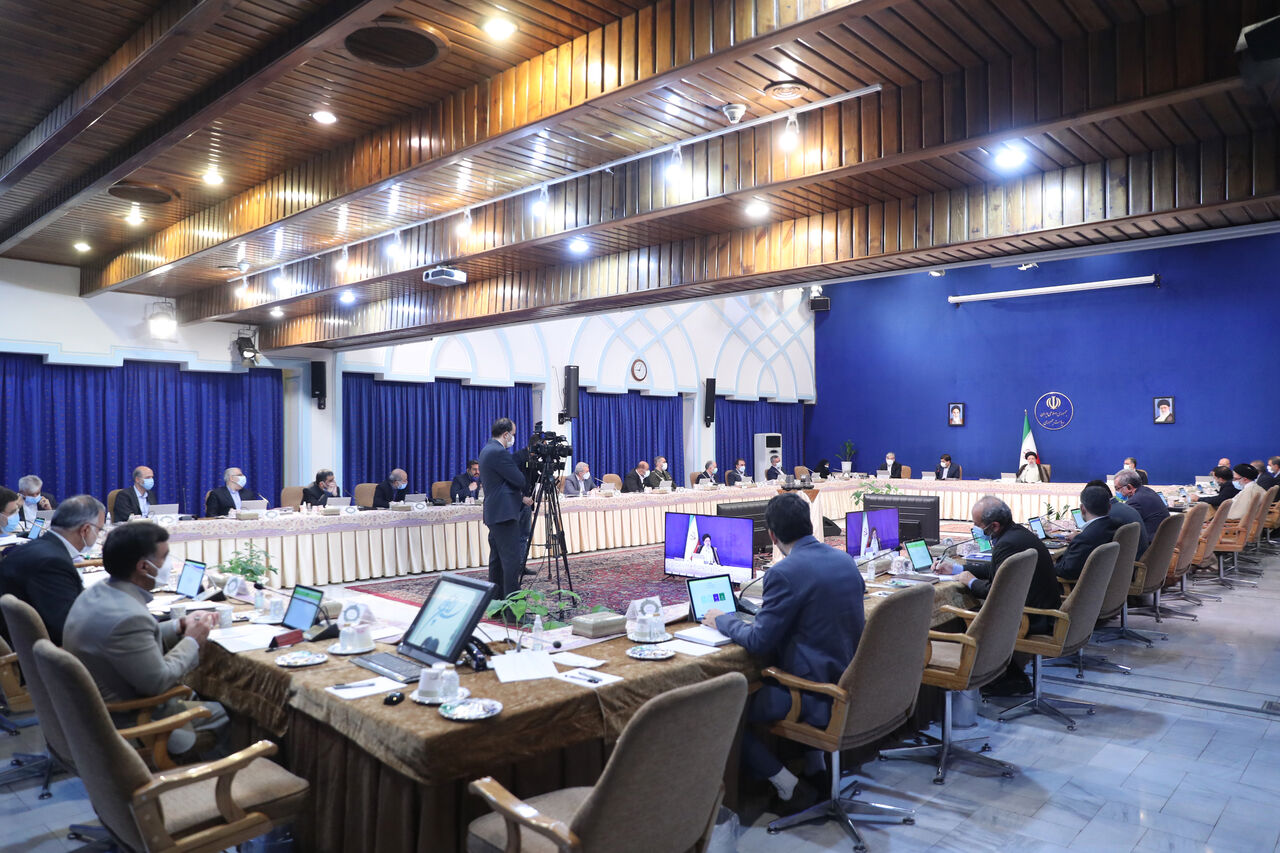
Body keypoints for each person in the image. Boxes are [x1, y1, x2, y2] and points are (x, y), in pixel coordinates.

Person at [701, 493, 865, 806]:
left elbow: (758, 642)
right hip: (850, 684)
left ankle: (786, 783)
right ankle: (815, 769)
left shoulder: (782, 573)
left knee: (721, 714)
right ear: (810, 524)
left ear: (772, 536)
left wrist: (722, 620)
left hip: (813, 695)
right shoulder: (844, 559)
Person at [62, 522, 227, 762]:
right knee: (223, 711)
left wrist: (178, 626)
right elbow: (158, 682)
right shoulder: (129, 617)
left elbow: (130, 640)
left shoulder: (99, 591)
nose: (169, 565)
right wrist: (192, 640)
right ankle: (208, 774)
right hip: (127, 719)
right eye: (165, 557)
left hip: (91, 707)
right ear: (143, 567)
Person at [934, 496, 1060, 696]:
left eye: (977, 525)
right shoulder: (1018, 534)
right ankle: (1006, 677)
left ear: (994, 526)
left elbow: (997, 593)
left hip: (1033, 618)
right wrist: (958, 569)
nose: (975, 529)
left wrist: (970, 581)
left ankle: (994, 679)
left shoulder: (1007, 544)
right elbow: (999, 571)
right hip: (1043, 609)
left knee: (970, 617)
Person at [0, 496, 104, 649]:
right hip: (42, 654)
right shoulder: (52, 563)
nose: (99, 535)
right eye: (99, 530)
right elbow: (67, 628)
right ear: (85, 530)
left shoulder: (36, 547)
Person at [479, 418, 532, 600]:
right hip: (504, 513)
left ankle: (497, 603)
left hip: (495, 512)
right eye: (513, 434)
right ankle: (512, 605)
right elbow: (519, 480)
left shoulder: (487, 449)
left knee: (497, 561)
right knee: (511, 561)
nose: (513, 438)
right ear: (506, 434)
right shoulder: (499, 453)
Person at [1056, 485, 1121, 580]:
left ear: (1082, 509)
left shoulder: (1085, 538)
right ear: (1109, 507)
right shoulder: (1117, 525)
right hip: (1106, 579)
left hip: (1078, 585)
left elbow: (1067, 571)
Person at [1084, 480, 1149, 555]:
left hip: (1129, 559)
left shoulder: (1108, 515)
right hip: (1137, 556)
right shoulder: (1125, 507)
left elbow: (1093, 544)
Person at [1113, 469, 1168, 547]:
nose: (1117, 492)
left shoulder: (1135, 501)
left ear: (1129, 487)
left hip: (1149, 545)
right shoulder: (1147, 491)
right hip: (1162, 542)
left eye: (1117, 488)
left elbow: (1122, 526)